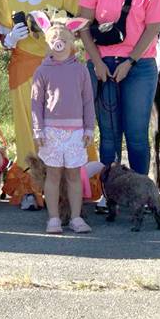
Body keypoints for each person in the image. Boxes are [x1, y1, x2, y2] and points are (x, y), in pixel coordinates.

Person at [0, 0, 93, 210]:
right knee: (29, 129)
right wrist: (10, 39)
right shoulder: (8, 0)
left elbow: (77, 30)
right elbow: (1, 39)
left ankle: (71, 187)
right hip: (25, 70)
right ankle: (30, 188)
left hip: (62, 73)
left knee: (66, 127)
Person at [78, 0, 160, 177]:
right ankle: (110, 192)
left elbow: (153, 28)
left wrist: (130, 61)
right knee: (108, 134)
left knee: (136, 133)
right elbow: (83, 26)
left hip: (138, 65)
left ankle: (140, 188)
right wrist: (96, 62)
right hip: (102, 66)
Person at [31, 13, 94, 234]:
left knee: (74, 175)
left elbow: (87, 101)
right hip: (51, 132)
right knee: (54, 175)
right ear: (48, 43)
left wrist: (89, 128)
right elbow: (36, 104)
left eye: (64, 39)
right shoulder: (42, 71)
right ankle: (53, 218)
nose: (59, 43)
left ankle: (76, 218)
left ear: (72, 41)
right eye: (54, 39)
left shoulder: (81, 70)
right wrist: (38, 130)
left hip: (76, 132)